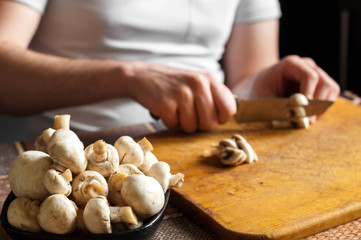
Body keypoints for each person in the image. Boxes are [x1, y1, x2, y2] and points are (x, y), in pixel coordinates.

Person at [0, 0, 340, 138]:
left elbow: (244, 83)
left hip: (200, 153)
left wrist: (258, 87)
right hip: (74, 159)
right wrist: (129, 77)